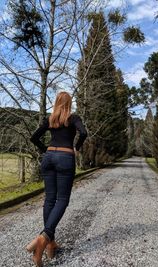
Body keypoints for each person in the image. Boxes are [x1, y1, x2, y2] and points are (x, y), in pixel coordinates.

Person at [26, 91, 87, 267]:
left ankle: (50, 245)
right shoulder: (73, 118)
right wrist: (77, 147)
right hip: (65, 158)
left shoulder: (51, 119)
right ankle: (43, 238)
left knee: (50, 199)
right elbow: (83, 133)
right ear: (69, 103)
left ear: (56, 103)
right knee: (62, 200)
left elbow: (33, 137)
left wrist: (46, 149)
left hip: (49, 158)